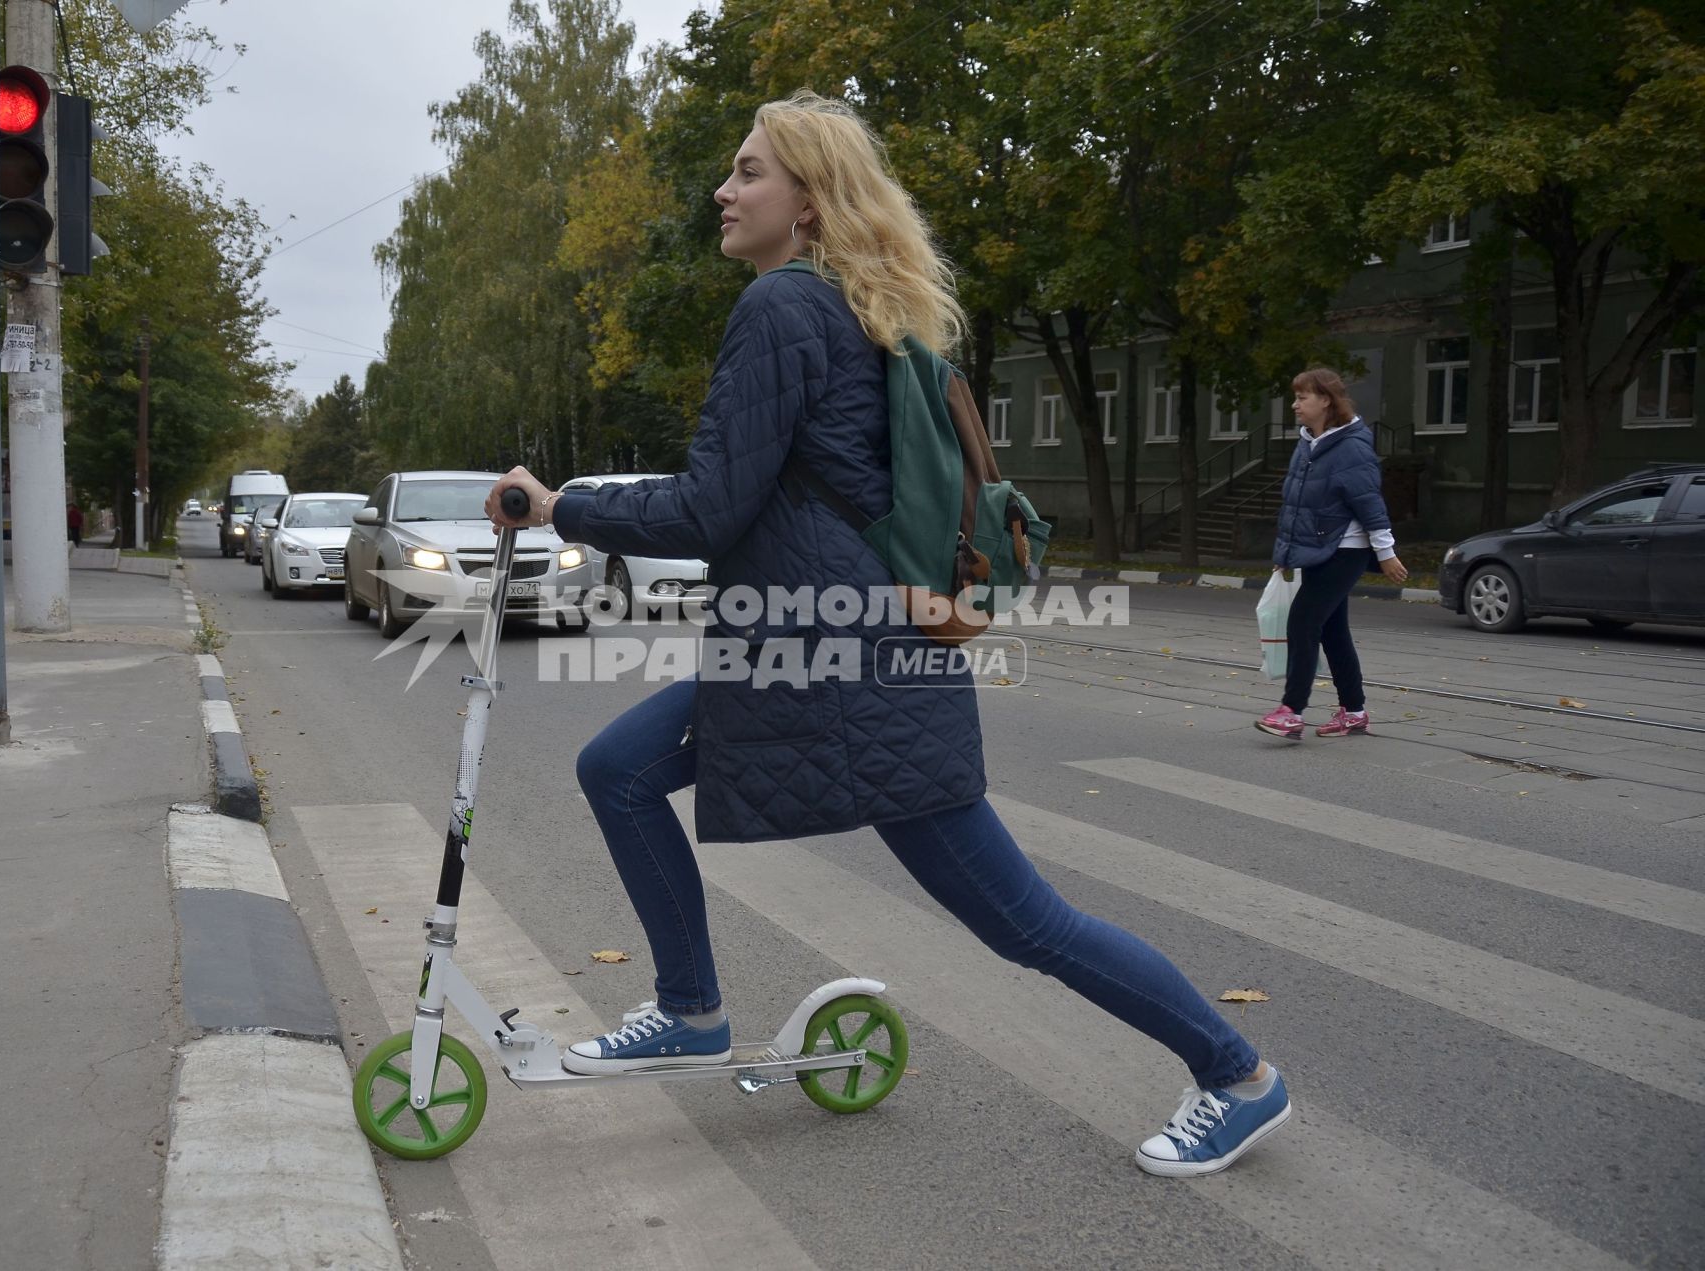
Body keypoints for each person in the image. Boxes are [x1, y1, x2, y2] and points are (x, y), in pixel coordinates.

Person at [484, 91, 1289, 1178]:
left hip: (847, 663)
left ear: (808, 204)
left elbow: (708, 509)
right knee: (617, 766)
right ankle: (689, 1007)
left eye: (749, 172)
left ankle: (1236, 1073)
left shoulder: (781, 310)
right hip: (814, 647)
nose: (724, 191)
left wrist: (561, 501)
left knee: (1020, 920)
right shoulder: (847, 313)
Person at [1257, 370, 1408, 740]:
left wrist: (1386, 552)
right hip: (1317, 548)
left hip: (1346, 549)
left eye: (1302, 398)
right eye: (1295, 397)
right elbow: (1296, 504)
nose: (1295, 405)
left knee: (1304, 622)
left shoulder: (1351, 447)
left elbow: (1371, 504)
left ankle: (1292, 711)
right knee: (1333, 631)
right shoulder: (1309, 442)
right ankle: (1354, 712)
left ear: (1325, 400)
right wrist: (1287, 552)